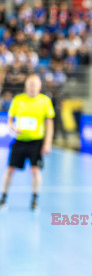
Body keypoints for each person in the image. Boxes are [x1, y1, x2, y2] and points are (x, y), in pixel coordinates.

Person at [0, 74, 55, 210]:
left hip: (36, 142)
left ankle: (35, 200)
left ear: (39, 86)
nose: (32, 87)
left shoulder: (45, 101)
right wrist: (14, 128)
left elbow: (49, 124)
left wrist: (47, 143)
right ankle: (3, 198)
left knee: (35, 170)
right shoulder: (18, 100)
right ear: (26, 85)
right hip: (20, 141)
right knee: (10, 169)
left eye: (35, 85)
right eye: (30, 84)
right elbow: (10, 120)